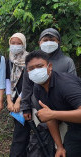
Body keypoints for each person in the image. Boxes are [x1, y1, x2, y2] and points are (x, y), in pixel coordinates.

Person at [15, 28, 77, 156]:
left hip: (67, 112)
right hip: (42, 111)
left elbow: (73, 89)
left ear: (49, 67)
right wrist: (26, 107)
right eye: (45, 40)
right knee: (45, 140)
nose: (48, 42)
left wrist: (56, 114)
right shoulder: (37, 85)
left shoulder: (66, 64)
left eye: (52, 40)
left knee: (67, 142)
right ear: (39, 42)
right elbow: (27, 88)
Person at [25, 51, 81, 157]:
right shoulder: (38, 88)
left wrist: (53, 114)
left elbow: (51, 115)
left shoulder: (65, 84)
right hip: (75, 128)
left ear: (49, 66)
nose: (36, 71)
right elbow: (49, 118)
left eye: (39, 66)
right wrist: (59, 147)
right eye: (31, 68)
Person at [5, 33, 29, 157]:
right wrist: (9, 100)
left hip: (26, 99)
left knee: (21, 133)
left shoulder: (29, 59)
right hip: (13, 99)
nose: (15, 46)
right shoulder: (8, 58)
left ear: (24, 44)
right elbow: (7, 80)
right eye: (12, 43)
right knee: (20, 130)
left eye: (18, 43)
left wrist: (19, 101)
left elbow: (30, 83)